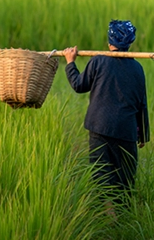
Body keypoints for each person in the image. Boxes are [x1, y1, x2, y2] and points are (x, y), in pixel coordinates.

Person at [63, 20, 149, 204]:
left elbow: (79, 85)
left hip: (99, 128)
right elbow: (142, 103)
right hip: (127, 132)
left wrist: (70, 62)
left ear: (110, 42)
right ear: (129, 43)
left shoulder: (98, 61)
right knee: (124, 182)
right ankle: (121, 218)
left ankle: (103, 214)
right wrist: (142, 134)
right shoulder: (138, 69)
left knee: (100, 177)